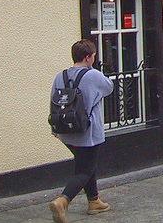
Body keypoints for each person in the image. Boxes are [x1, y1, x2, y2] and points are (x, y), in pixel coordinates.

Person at [49, 40, 114, 223]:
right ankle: (63, 201)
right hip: (88, 131)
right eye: (93, 56)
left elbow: (53, 101)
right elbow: (109, 87)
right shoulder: (93, 75)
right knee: (85, 169)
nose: (94, 59)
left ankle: (94, 201)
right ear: (87, 57)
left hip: (65, 130)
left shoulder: (60, 76)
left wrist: (54, 128)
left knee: (85, 163)